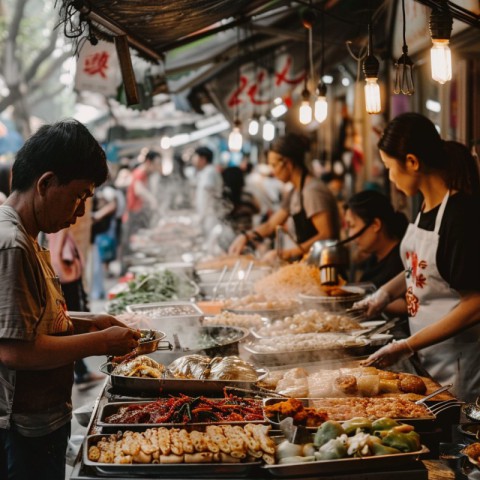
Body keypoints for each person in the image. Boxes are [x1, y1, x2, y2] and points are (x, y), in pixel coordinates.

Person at [0, 119, 141, 480]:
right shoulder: (12, 242)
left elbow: (33, 318)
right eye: (79, 196)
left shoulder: (29, 236)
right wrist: (98, 342)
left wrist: (91, 321)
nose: (80, 212)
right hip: (20, 431)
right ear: (46, 183)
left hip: (41, 421)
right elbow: (14, 350)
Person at [356, 113, 480, 401]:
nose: (389, 176)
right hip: (427, 355)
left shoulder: (459, 215)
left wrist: (406, 346)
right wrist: (384, 294)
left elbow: (475, 303)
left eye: (389, 167)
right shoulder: (426, 206)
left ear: (412, 162)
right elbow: (420, 268)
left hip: (459, 363)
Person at [229, 133, 340, 262]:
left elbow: (326, 234)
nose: (273, 171)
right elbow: (271, 225)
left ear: (288, 163)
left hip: (326, 269)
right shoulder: (295, 191)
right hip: (310, 266)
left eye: (274, 165)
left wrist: (285, 253)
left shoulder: (312, 191)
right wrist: (245, 236)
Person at [46, 228, 104, 390]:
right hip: (66, 276)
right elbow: (57, 253)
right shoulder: (57, 225)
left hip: (67, 274)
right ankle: (81, 371)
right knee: (70, 322)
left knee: (72, 319)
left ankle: (81, 370)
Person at [344, 190, 409, 288]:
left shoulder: (400, 266)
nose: (350, 235)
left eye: (352, 226)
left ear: (376, 225)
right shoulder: (374, 259)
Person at [192, 146, 223, 236]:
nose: (193, 160)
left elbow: (208, 197)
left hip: (211, 217)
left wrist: (200, 217)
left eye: (195, 157)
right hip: (206, 217)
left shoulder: (210, 172)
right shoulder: (205, 172)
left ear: (203, 159)